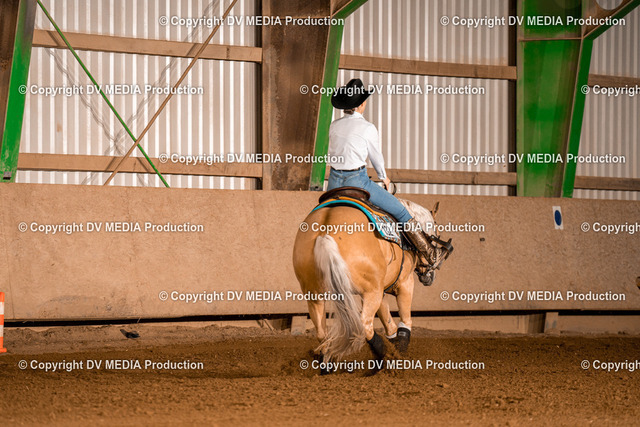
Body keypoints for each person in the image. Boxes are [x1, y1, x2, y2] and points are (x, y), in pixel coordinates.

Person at [327, 78, 444, 284]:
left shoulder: (334, 126)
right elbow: (376, 158)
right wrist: (384, 178)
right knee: (402, 212)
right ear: (361, 104)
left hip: (334, 184)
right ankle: (430, 254)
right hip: (358, 182)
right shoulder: (368, 128)